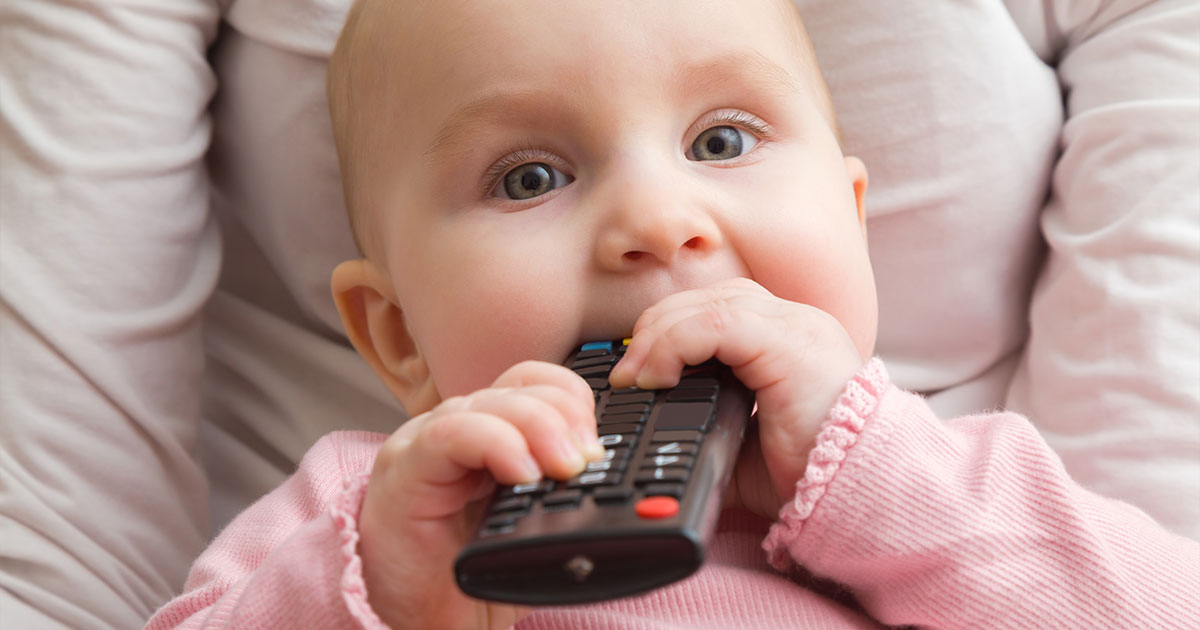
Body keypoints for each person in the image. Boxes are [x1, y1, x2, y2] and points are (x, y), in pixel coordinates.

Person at [141, 1, 1199, 628]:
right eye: (528, 177)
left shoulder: (952, 486)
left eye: (722, 142)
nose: (655, 221)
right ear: (401, 339)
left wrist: (870, 469)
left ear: (854, 224)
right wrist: (385, 590)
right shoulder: (370, 512)